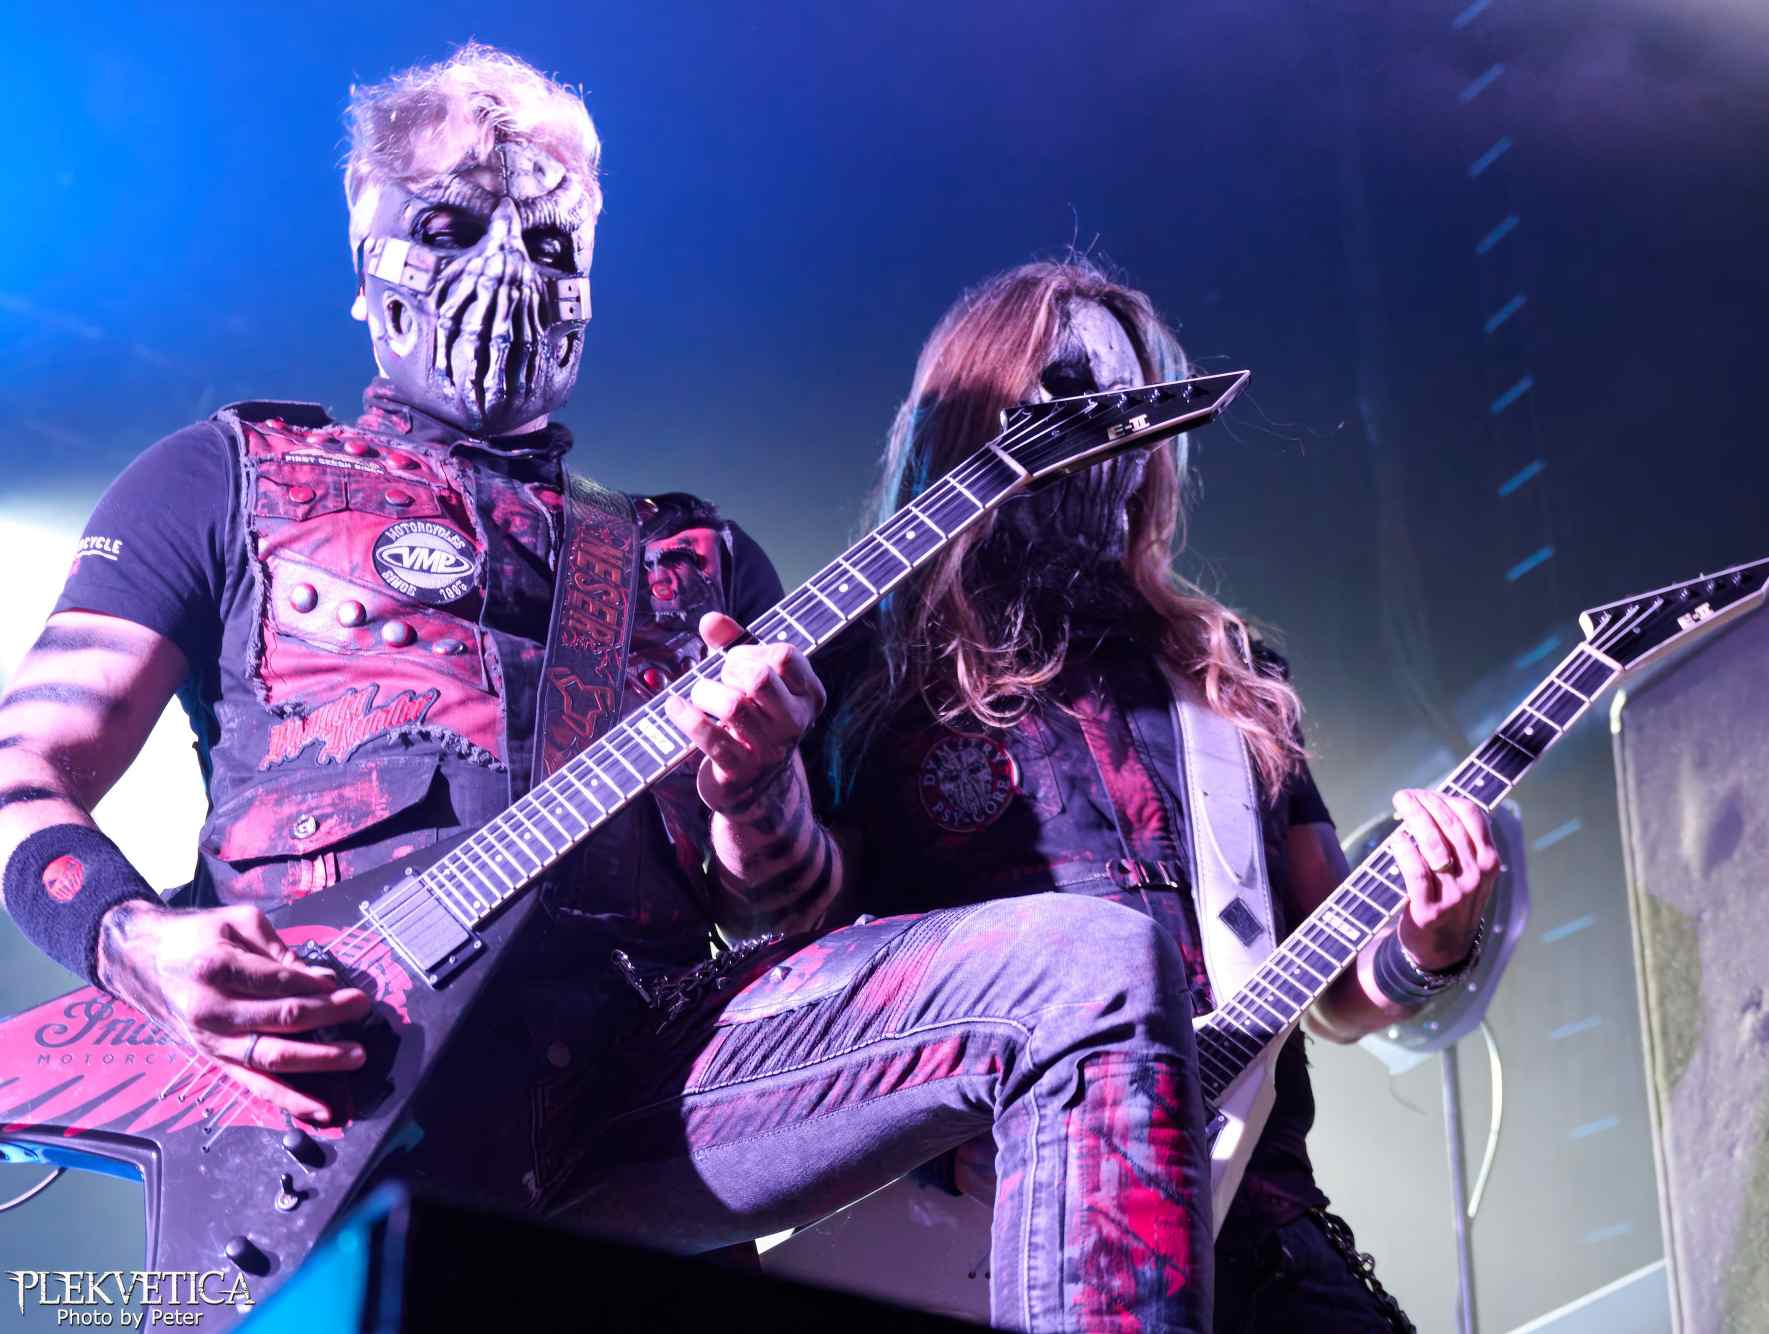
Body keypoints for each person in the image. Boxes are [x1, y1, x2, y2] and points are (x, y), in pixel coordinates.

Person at [0, 48, 1212, 1332]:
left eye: (549, 243)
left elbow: (789, 908)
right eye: (450, 227)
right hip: (323, 1078)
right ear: (365, 261)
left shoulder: (697, 560)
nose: (506, 273)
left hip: (647, 1076)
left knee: (1093, 964)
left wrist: (755, 789)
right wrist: (130, 941)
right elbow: (24, 767)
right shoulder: (228, 474)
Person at [806, 258, 1501, 1332]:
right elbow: (797, 985)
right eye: (1067, 392)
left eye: (1137, 410)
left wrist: (1431, 942)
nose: (1108, 435)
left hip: (1256, 1229)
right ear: (974, 415)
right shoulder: (862, 678)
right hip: (996, 1235)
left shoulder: (1225, 678)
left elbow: (1335, 992)